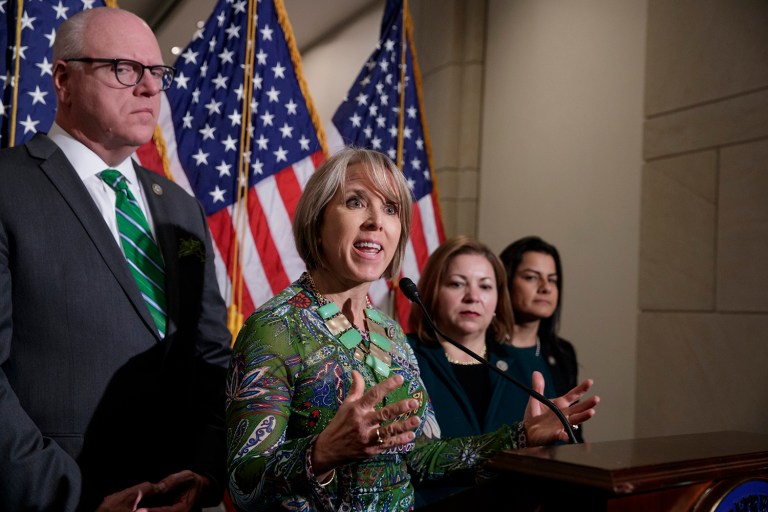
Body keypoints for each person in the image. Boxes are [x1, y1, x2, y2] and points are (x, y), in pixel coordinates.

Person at [225, 148, 599, 511]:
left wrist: (519, 436)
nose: (376, 221)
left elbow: (422, 457)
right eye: (356, 202)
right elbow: (244, 484)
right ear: (317, 222)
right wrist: (321, 453)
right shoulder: (274, 328)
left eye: (391, 209)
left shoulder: (388, 332)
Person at [0, 8, 232, 511]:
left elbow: (212, 356)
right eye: (124, 69)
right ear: (63, 78)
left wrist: (207, 471)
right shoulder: (6, 188)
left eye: (156, 72)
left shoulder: (181, 208)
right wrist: (73, 498)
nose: (148, 88)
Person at [407, 235, 533, 439]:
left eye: (485, 286)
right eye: (457, 284)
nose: (473, 297)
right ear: (432, 293)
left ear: (498, 300)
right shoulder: (404, 357)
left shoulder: (526, 368)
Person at [499, 235, 583, 442]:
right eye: (531, 277)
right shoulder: (479, 349)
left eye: (552, 280)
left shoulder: (561, 352)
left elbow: (574, 428)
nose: (546, 287)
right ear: (505, 281)